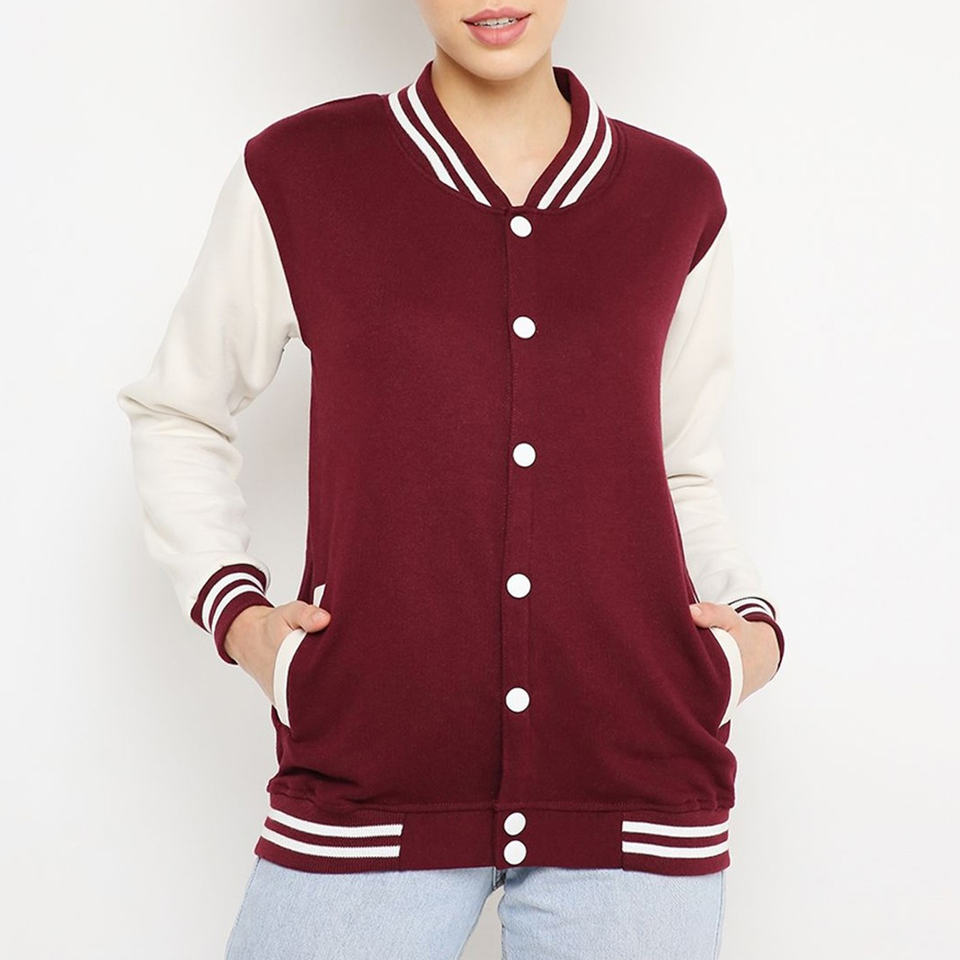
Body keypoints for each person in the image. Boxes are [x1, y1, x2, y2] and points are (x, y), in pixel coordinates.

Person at [116, 2, 786, 957]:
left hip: (636, 779)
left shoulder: (677, 198)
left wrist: (746, 635)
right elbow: (179, 409)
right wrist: (243, 619)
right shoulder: (302, 172)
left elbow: (679, 465)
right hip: (369, 772)